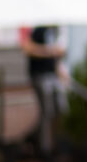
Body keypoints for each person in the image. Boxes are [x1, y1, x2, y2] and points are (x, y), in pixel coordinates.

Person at [20, 25, 69, 155]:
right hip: (40, 75)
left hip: (53, 76)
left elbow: (57, 57)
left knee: (61, 108)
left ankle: (57, 142)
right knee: (47, 111)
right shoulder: (38, 29)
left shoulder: (55, 31)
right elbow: (27, 48)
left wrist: (61, 71)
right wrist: (48, 51)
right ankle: (44, 147)